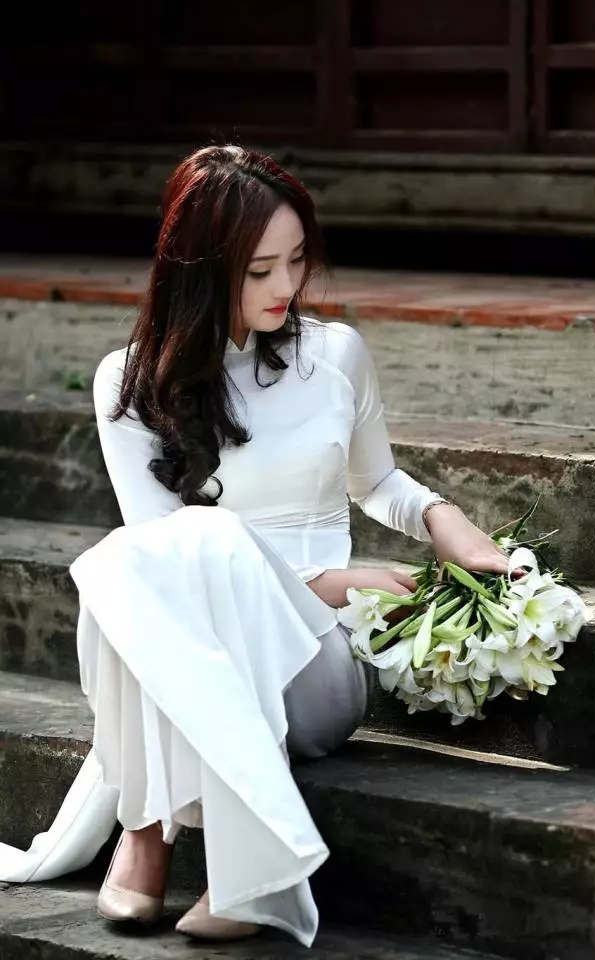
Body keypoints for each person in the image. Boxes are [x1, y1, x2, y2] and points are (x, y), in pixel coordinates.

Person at [0, 145, 509, 947]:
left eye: (297, 260)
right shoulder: (126, 382)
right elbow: (158, 570)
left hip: (314, 666)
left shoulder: (334, 355)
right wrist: (338, 579)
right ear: (198, 270)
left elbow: (377, 481)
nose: (287, 287)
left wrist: (442, 519)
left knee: (184, 551)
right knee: (141, 560)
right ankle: (171, 837)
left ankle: (150, 830)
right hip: (201, 636)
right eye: (260, 269)